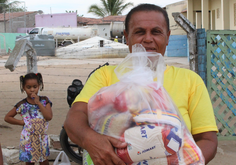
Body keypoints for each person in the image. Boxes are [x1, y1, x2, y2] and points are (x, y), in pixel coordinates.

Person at [64, 3, 218, 165]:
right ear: (127, 36)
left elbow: (208, 140)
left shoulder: (190, 81)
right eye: (139, 32)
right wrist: (91, 140)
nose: (148, 39)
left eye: (156, 32)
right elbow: (74, 118)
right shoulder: (105, 75)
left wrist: (183, 161)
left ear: (167, 37)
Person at [4, 73, 52, 165]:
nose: (32, 90)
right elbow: (7, 117)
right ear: (23, 88)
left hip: (42, 138)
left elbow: (49, 117)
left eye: (35, 86)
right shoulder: (22, 105)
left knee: (44, 161)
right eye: (28, 87)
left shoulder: (45, 101)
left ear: (39, 86)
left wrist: (38, 103)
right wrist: (22, 122)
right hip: (28, 139)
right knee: (30, 162)